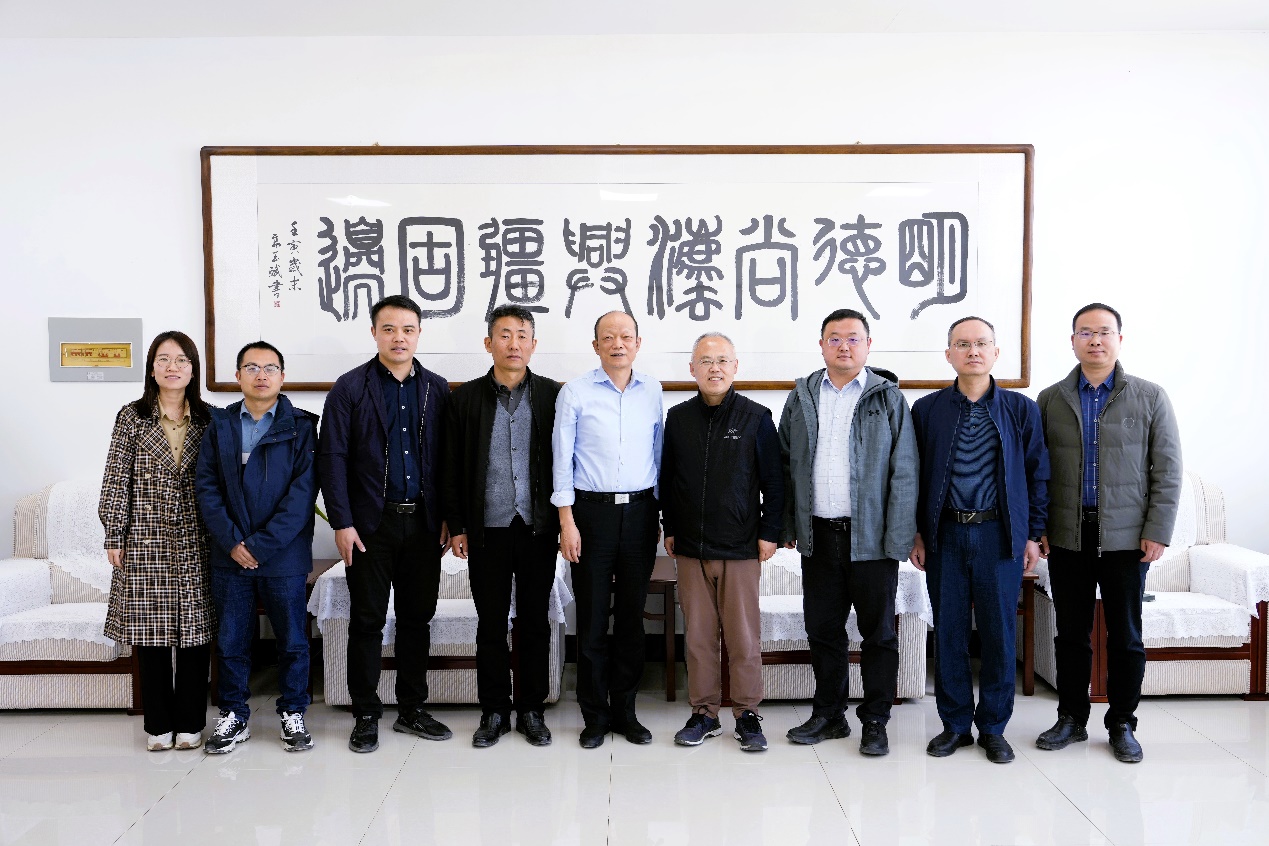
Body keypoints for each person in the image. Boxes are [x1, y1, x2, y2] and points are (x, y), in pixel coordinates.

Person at [1034, 303, 1182, 763]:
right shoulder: (1050, 399)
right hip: (1067, 534)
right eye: (1085, 332)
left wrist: (1158, 530)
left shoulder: (1150, 396)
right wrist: (1039, 527)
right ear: (1072, 341)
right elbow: (1037, 470)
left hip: (1127, 537)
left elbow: (1168, 469)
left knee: (1125, 636)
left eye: (1103, 332)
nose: (1095, 340)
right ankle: (1071, 718)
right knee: (1070, 634)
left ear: (1120, 338)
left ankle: (1122, 722)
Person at [778, 308, 918, 755]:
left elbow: (905, 471)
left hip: (872, 539)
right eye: (834, 338)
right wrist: (788, 525)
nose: (844, 346)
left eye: (853, 338)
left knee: (879, 635)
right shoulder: (802, 396)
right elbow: (784, 463)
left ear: (868, 345)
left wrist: (898, 537)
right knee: (823, 630)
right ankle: (829, 715)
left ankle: (875, 720)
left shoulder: (888, 398)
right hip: (818, 536)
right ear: (821, 345)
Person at [910, 317, 1049, 763]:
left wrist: (1033, 534)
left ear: (995, 352)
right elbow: (913, 476)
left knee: (998, 634)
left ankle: (993, 727)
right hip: (945, 535)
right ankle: (954, 726)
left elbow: (1038, 474)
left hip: (998, 535)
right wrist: (916, 532)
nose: (973, 351)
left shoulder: (1021, 409)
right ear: (948, 353)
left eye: (981, 343)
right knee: (949, 632)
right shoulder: (927, 410)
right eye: (963, 344)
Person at [317, 294, 452, 754]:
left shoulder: (436, 388)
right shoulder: (350, 387)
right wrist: (341, 522)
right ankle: (366, 714)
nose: (399, 338)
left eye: (408, 329)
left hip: (424, 525)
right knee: (368, 621)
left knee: (417, 619)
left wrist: (448, 518)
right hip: (369, 527)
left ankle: (412, 709)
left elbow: (447, 459)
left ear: (419, 334)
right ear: (374, 333)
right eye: (389, 329)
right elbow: (332, 457)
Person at [442, 305, 561, 748]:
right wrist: (457, 525)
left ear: (534, 343)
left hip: (537, 527)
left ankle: (531, 708)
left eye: (522, 335)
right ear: (488, 342)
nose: (514, 344)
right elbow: (451, 466)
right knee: (490, 622)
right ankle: (493, 710)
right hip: (485, 529)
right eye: (505, 335)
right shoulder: (465, 399)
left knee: (534, 621)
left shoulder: (553, 395)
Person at [661, 333, 784, 753]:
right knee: (698, 637)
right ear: (692, 369)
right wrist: (670, 527)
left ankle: (747, 714)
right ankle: (705, 713)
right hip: (690, 548)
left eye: (722, 360)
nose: (714, 368)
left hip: (741, 546)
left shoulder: (756, 417)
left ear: (735, 367)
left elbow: (774, 482)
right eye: (705, 361)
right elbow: (668, 479)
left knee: (743, 638)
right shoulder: (678, 418)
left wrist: (769, 533)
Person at [195, 341, 320, 754]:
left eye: (270, 368)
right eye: (251, 367)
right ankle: (234, 715)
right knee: (231, 640)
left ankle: (293, 712)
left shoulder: (302, 427)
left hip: (283, 555)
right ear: (238, 376)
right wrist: (233, 541)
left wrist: (260, 546)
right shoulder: (221, 425)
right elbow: (206, 487)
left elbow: (302, 495)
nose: (261, 375)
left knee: (293, 640)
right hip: (229, 555)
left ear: (282, 377)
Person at [553, 310, 664, 748]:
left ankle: (626, 711)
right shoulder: (575, 392)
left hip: (640, 513)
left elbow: (658, 454)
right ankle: (595, 716)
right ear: (596, 345)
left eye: (626, 336)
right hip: (590, 516)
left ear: (638, 343)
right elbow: (562, 459)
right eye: (608, 337)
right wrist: (567, 521)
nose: (618, 344)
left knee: (632, 619)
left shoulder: (652, 390)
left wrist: (658, 515)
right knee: (594, 618)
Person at [100, 331, 215, 752]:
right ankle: (158, 726)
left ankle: (190, 724)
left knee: (195, 633)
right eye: (163, 359)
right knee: (150, 635)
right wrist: (114, 533)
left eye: (181, 359)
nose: (172, 367)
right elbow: (116, 478)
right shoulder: (132, 417)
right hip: (145, 537)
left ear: (193, 369)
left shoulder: (210, 419)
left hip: (197, 537)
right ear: (152, 368)